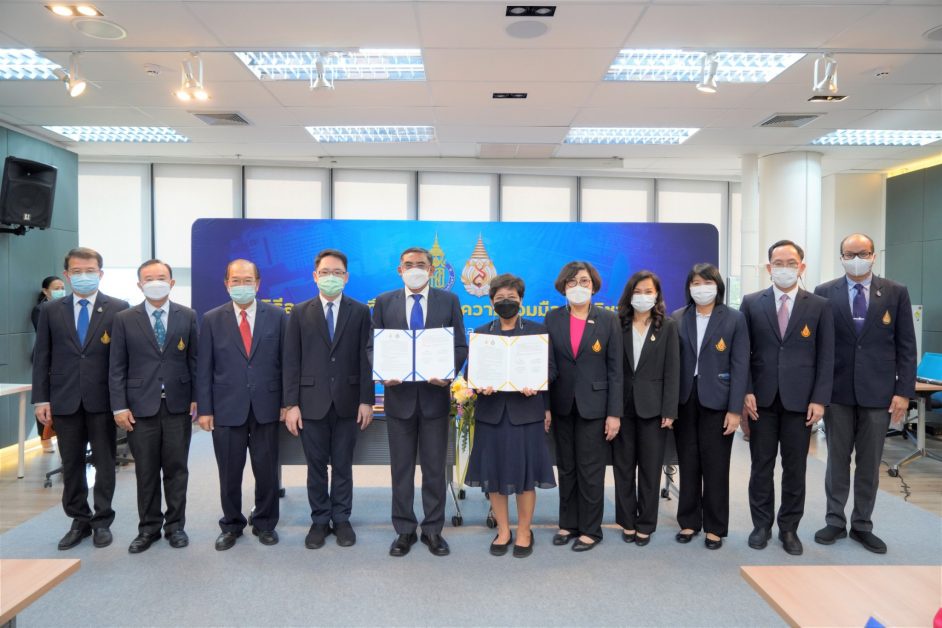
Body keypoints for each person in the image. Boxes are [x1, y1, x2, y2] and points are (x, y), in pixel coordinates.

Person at [813, 234, 916, 554]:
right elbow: (819, 348)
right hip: (838, 392)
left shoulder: (896, 292)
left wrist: (903, 392)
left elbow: (907, 348)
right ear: (840, 256)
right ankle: (834, 520)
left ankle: (862, 525)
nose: (856, 258)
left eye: (863, 252)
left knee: (870, 463)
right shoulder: (824, 293)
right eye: (849, 253)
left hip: (879, 393)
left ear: (874, 255)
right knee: (837, 461)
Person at [371, 246, 468, 557]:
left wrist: (448, 373)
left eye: (421, 264)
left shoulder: (449, 300)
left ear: (431, 269)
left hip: (434, 398)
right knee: (400, 469)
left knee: (434, 469)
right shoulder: (385, 302)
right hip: (398, 399)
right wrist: (382, 373)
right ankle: (403, 530)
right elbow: (373, 345)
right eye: (409, 264)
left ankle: (433, 530)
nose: (415, 269)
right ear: (400, 270)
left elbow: (460, 344)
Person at [740, 240, 834, 556]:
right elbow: (743, 354)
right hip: (761, 401)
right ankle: (761, 525)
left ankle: (789, 528)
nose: (784, 267)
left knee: (795, 469)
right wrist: (747, 391)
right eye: (778, 262)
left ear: (801, 267)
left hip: (800, 402)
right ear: (769, 268)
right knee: (761, 467)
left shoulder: (819, 305)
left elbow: (826, 357)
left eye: (790, 262)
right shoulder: (752, 303)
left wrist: (820, 399)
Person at [32, 247, 128, 550]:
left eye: (90, 271)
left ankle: (102, 521)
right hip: (64, 399)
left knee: (105, 463)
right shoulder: (50, 310)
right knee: (71, 463)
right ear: (67, 274)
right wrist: (41, 399)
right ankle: (79, 520)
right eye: (77, 271)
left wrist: (121, 402)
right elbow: (42, 358)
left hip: (103, 402)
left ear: (100, 274)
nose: (83, 276)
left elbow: (121, 361)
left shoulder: (118, 308)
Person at [283, 249, 374, 550]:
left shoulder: (360, 311)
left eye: (337, 273)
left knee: (344, 465)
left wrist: (366, 400)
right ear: (315, 276)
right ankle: (320, 520)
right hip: (310, 403)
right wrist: (291, 404)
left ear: (346, 277)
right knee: (316, 466)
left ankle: (342, 518)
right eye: (325, 272)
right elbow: (291, 361)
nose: (331, 277)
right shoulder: (298, 312)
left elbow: (366, 359)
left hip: (349, 402)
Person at [110, 259, 198, 554]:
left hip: (177, 405)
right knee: (146, 471)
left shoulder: (187, 315)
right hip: (139, 407)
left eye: (161, 277)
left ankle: (176, 526)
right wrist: (118, 406)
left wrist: (197, 397)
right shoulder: (124, 319)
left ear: (172, 283)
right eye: (149, 278)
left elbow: (195, 361)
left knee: (176, 469)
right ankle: (148, 528)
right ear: (139, 284)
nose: (156, 281)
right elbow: (117, 367)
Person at [197, 259, 286, 551]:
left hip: (267, 407)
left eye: (248, 280)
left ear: (258, 284)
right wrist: (206, 409)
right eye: (236, 280)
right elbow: (204, 368)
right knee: (229, 472)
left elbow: (286, 364)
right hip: (226, 408)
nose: (242, 285)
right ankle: (232, 524)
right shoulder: (211, 318)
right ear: (226, 284)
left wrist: (287, 403)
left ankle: (265, 522)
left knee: (267, 470)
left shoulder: (277, 316)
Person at [465, 274, 556, 558]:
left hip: (526, 414)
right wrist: (479, 383)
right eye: (501, 299)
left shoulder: (536, 332)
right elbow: (470, 373)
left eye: (512, 299)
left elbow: (551, 370)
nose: (506, 303)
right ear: (491, 301)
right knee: (494, 475)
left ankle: (525, 530)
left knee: (525, 476)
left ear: (521, 301)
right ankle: (504, 530)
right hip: (491, 414)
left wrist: (538, 383)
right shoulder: (481, 333)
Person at [544, 261, 623, 552]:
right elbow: (547, 366)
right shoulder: (552, 319)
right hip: (562, 404)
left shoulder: (608, 319)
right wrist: (546, 406)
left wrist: (614, 413)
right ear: (563, 287)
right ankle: (568, 523)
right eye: (572, 282)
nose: (579, 287)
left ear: (594, 286)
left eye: (584, 282)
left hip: (596, 406)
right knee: (566, 467)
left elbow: (615, 370)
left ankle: (591, 529)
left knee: (591, 469)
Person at [671, 264, 749, 550]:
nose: (700, 287)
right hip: (685, 400)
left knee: (716, 466)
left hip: (718, 401)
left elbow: (741, 366)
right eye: (695, 282)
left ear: (717, 286)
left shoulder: (734, 319)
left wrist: (735, 410)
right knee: (688, 463)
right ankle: (689, 521)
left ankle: (715, 527)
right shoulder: (678, 317)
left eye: (706, 282)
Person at [613, 270, 679, 546]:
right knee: (624, 468)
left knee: (650, 470)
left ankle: (645, 524)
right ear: (630, 294)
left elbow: (673, 370)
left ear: (657, 295)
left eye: (648, 291)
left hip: (655, 408)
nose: (643, 296)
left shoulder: (668, 326)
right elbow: (613, 369)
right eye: (638, 292)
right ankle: (627, 522)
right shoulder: (617, 323)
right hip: (623, 407)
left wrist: (670, 409)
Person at [31, 275, 67, 454]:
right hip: (50, 361)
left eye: (62, 286)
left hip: (66, 361)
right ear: (46, 291)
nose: (61, 290)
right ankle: (45, 437)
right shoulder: (41, 310)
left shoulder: (68, 307)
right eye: (56, 287)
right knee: (45, 398)